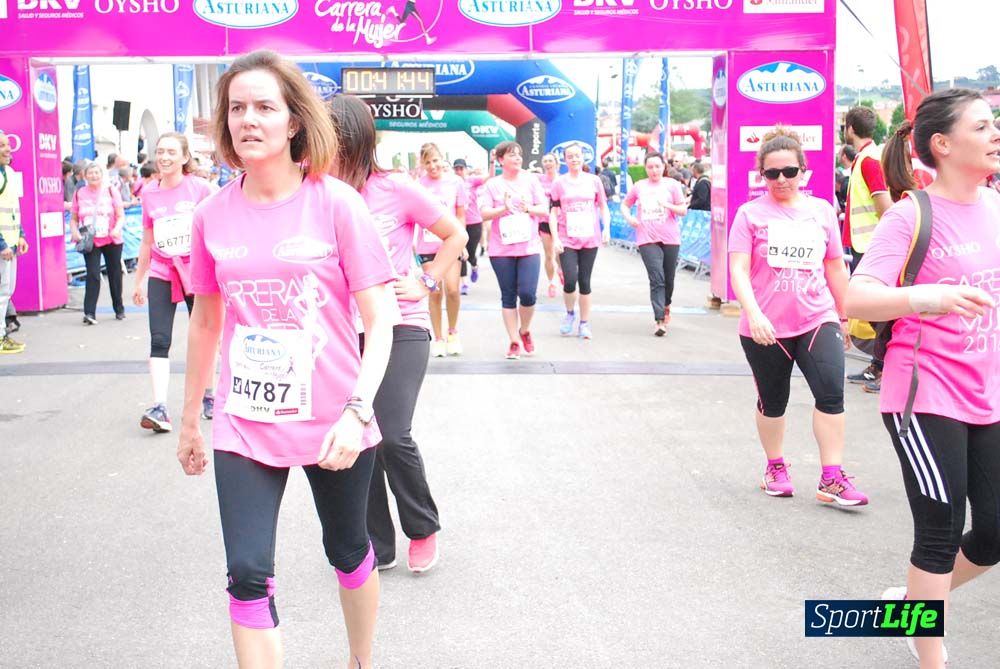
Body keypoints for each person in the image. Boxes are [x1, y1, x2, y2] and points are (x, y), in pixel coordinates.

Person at [179, 49, 398, 669]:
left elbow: (379, 322)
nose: (248, 119)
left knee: (348, 548)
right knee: (247, 573)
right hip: (245, 420)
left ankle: (361, 660)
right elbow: (205, 319)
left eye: (264, 107)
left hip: (334, 418)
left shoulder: (335, 204)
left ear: (293, 121)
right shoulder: (210, 214)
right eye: (237, 108)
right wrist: (193, 418)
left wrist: (358, 412)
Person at [847, 89, 1000, 667]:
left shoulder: (995, 205)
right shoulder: (911, 215)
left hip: (988, 389)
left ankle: (908, 606)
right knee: (940, 526)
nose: (995, 134)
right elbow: (856, 296)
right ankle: (929, 649)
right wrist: (926, 296)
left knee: (994, 534)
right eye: (982, 126)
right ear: (942, 144)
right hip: (925, 393)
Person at [329, 94, 466, 573]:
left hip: (402, 323)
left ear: (357, 141)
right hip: (343, 332)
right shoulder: (316, 194)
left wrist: (427, 279)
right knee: (359, 435)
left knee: (391, 432)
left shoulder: (397, 188)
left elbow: (456, 235)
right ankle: (376, 541)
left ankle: (422, 526)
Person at [728, 126, 868, 506]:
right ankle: (775, 466)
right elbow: (738, 269)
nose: (781, 180)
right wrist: (753, 313)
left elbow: (836, 267)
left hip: (816, 316)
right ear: (762, 176)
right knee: (774, 402)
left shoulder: (822, 211)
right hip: (766, 326)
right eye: (772, 173)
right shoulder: (749, 214)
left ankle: (832, 477)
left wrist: (847, 313)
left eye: (789, 171)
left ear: (803, 171)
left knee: (831, 392)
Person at [132, 132, 217, 433]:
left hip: (197, 271)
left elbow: (217, 231)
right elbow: (146, 241)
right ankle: (160, 407)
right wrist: (139, 281)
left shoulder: (201, 189)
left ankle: (208, 396)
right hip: (162, 270)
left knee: (204, 335)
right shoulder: (149, 193)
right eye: (160, 151)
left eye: (171, 152)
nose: (164, 157)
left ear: (184, 157)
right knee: (159, 339)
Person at [478, 141, 549, 359]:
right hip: (502, 249)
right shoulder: (492, 185)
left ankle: (524, 329)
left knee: (528, 294)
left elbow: (544, 209)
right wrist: (504, 209)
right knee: (508, 296)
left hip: (528, 247)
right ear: (501, 160)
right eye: (511, 155)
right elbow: (483, 213)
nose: (517, 158)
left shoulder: (531, 180)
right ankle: (514, 341)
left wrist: (528, 209)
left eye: (519, 154)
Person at [844, 106, 892, 393]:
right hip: (868, 244)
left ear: (850, 128)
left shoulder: (868, 160)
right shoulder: (867, 157)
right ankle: (879, 364)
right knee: (875, 312)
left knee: (878, 312)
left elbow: (883, 204)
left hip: (871, 245)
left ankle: (884, 367)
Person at [622, 152, 688, 336]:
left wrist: (668, 206)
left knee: (669, 279)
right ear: (646, 168)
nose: (654, 170)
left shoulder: (672, 185)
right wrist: (630, 218)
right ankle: (659, 320)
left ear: (663, 167)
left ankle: (666, 304)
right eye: (650, 167)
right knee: (656, 278)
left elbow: (683, 210)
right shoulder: (639, 186)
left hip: (670, 238)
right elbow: (625, 205)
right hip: (646, 238)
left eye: (657, 166)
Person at [549, 143, 610, 339]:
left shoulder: (594, 181)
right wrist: (555, 237)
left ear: (584, 157)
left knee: (584, 281)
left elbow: (602, 206)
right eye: (570, 156)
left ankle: (584, 323)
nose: (574, 159)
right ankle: (569, 314)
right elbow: (553, 212)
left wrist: (606, 228)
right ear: (565, 160)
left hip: (589, 238)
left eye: (578, 155)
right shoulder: (559, 183)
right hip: (567, 238)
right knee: (570, 279)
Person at [416, 143, 467, 357]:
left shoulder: (456, 182)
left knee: (453, 289)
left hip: (451, 242)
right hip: (428, 244)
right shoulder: (418, 185)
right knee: (434, 290)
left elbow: (460, 213)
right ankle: (437, 337)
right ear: (422, 164)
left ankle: (453, 332)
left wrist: (462, 243)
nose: (432, 166)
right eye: (428, 162)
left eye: (435, 160)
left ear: (442, 159)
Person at [70, 161, 126, 324]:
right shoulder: (79, 193)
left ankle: (119, 308)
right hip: (90, 239)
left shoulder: (111, 190)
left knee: (115, 274)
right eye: (90, 173)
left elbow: (121, 215)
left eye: (97, 172)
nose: (94, 176)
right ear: (85, 175)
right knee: (93, 274)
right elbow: (74, 218)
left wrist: (116, 228)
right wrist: (74, 231)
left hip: (111, 238)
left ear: (102, 175)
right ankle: (89, 313)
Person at [0, 132, 28, 354]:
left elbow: (13, 210)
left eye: (8, 145)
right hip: (3, 247)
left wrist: (20, 234)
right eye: (2, 146)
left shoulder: (8, 172)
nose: (8, 149)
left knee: (6, 292)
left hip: (10, 244)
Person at [452, 159, 483, 296]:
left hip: (474, 222)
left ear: (465, 169)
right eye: (456, 169)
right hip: (458, 223)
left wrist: (493, 163)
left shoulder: (472, 181)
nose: (458, 171)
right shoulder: (451, 184)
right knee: (460, 253)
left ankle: (475, 266)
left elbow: (489, 177)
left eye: (461, 169)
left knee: (470, 253)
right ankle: (464, 283)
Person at [537, 152, 562, 298]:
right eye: (545, 161)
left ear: (556, 163)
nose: (547, 163)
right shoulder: (539, 180)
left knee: (560, 253)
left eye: (550, 160)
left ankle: (561, 270)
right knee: (548, 254)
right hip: (544, 221)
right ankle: (552, 282)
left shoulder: (562, 180)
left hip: (560, 222)